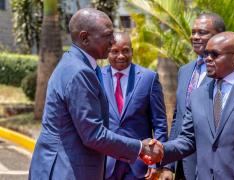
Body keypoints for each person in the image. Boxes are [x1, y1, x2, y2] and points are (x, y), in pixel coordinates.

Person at [29, 8, 162, 180]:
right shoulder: (78, 72)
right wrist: (140, 147)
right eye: (108, 35)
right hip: (66, 171)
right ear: (85, 38)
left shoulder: (83, 66)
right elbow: (93, 134)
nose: (113, 41)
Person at [150, 32, 234, 180]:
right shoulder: (197, 96)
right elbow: (187, 140)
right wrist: (161, 149)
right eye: (206, 53)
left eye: (215, 54)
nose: (207, 58)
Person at [161, 13, 234, 180]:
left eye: (202, 32)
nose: (195, 37)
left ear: (219, 36)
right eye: (193, 32)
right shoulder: (185, 70)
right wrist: (168, 165)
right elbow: (178, 118)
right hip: (183, 164)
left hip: (214, 166)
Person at [102, 32, 168, 180]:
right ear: (108, 52)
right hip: (105, 162)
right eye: (115, 51)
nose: (121, 56)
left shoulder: (148, 78)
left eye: (125, 50)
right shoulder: (96, 77)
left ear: (132, 51)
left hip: (139, 164)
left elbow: (160, 124)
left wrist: (155, 163)